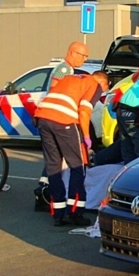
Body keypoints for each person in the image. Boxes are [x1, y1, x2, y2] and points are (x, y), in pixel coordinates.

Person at [35, 71, 109, 226]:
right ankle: (75, 212)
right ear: (103, 83)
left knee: (54, 167)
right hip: (64, 121)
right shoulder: (94, 85)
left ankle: (57, 213)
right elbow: (84, 111)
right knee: (78, 166)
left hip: (43, 118)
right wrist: (87, 137)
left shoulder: (71, 78)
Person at [33, 40, 92, 206]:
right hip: (58, 117)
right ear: (73, 52)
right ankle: (44, 190)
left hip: (48, 117)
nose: (84, 59)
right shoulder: (64, 69)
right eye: (83, 55)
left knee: (53, 160)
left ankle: (48, 194)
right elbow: (55, 89)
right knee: (61, 160)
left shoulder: (67, 68)